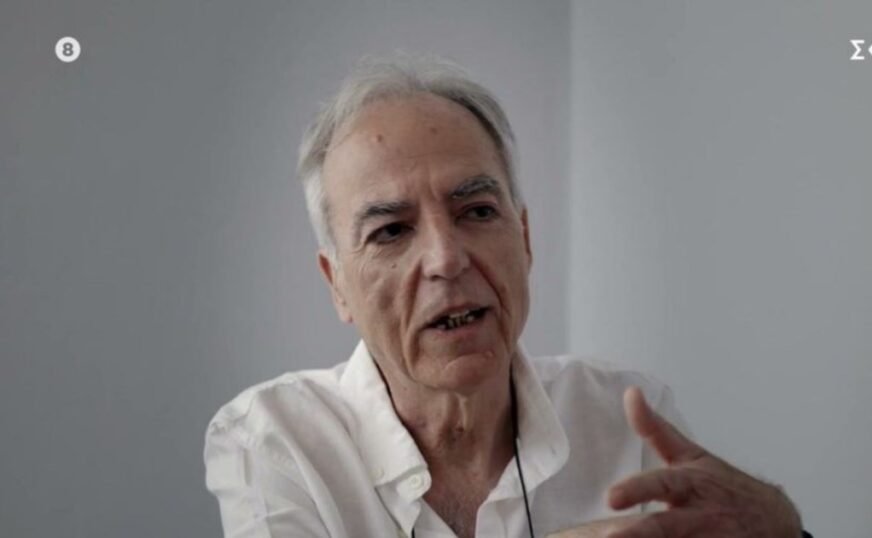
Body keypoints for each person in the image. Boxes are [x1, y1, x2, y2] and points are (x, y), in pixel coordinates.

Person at [204, 54, 810, 538]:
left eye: (477, 211)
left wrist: (784, 529)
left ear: (524, 239)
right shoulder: (274, 439)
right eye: (391, 231)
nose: (446, 259)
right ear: (337, 284)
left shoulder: (626, 418)